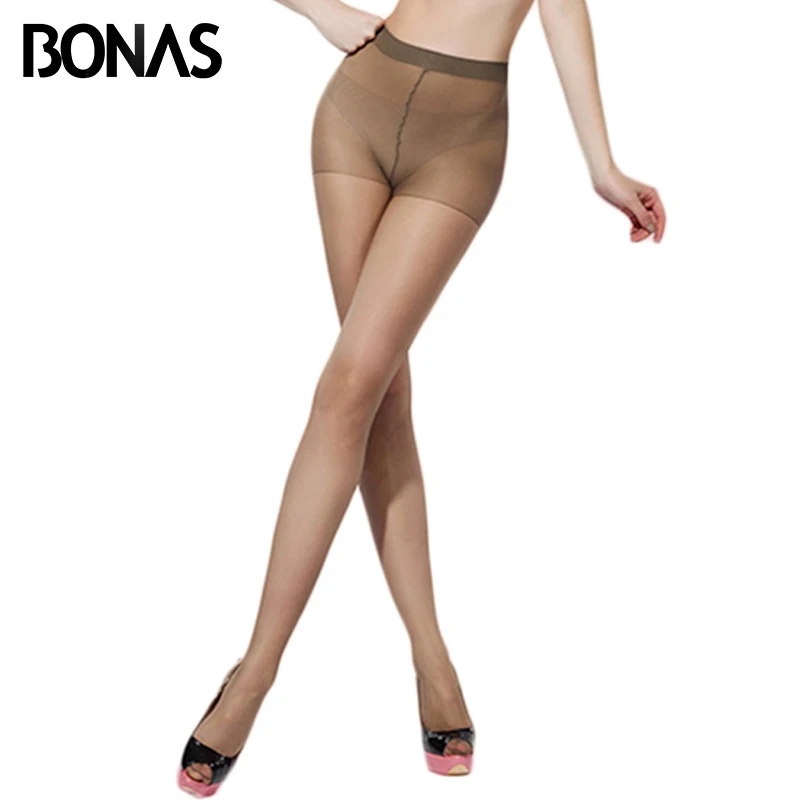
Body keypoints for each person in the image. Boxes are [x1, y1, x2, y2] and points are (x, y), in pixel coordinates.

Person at [177, 0, 667, 793]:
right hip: (357, 108)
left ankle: (348, 662)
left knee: (355, 383)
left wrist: (601, 164)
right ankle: (273, 672)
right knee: (374, 391)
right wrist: (320, 11)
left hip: (462, 140)